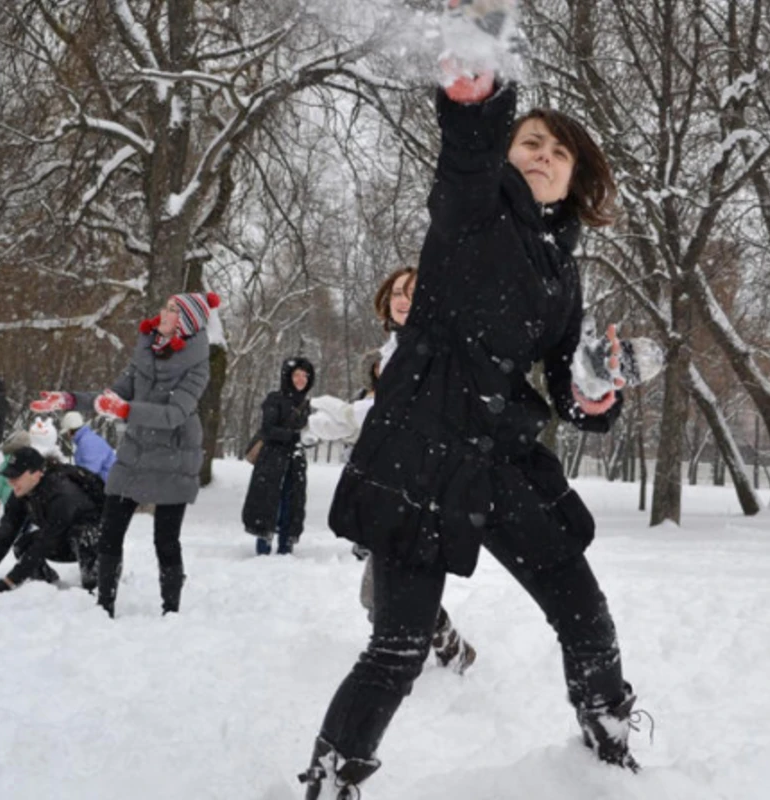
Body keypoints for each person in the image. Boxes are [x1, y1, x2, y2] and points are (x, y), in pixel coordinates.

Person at [297, 59, 638, 797]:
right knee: (400, 643)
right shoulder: (474, 206)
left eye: (559, 152)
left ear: (573, 179)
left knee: (585, 610)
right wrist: (473, 85)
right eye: (532, 143)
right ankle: (333, 779)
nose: (543, 156)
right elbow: (466, 147)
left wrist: (593, 390)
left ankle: (610, 746)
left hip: (503, 455)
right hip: (422, 448)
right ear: (508, 155)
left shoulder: (562, 270)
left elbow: (563, 379)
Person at [309, 268, 477, 675]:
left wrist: (356, 416)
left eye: (413, 293)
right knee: (387, 586)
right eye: (397, 292)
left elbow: (415, 411)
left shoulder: (433, 345)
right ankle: (431, 645)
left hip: (423, 485)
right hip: (392, 482)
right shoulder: (394, 348)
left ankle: (395, 656)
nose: (403, 299)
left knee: (384, 588)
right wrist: (356, 422)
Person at [30, 291, 219, 617]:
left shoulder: (198, 367)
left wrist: (126, 410)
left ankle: (171, 611)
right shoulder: (146, 353)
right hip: (135, 453)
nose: (164, 312)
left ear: (186, 323)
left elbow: (175, 413)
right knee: (110, 530)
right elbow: (113, 396)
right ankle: (104, 605)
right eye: (166, 306)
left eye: (173, 309)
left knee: (166, 540)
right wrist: (70, 401)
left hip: (175, 457)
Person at [0, 447, 104, 596]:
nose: (10, 482)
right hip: (64, 539)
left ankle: (95, 588)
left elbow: (47, 540)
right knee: (23, 545)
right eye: (9, 476)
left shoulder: (62, 491)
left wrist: (9, 581)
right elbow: (6, 531)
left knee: (84, 535)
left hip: (98, 544)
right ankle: (47, 585)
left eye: (16, 476)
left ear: (36, 474)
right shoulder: (23, 491)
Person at [242, 357, 315, 555]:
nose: (301, 380)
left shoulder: (307, 404)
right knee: (268, 501)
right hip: (272, 458)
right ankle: (263, 547)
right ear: (288, 377)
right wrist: (294, 435)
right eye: (297, 375)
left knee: (292, 502)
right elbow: (268, 428)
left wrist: (311, 438)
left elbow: (309, 431)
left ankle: (285, 546)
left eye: (305, 376)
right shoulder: (275, 398)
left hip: (296, 459)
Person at [60, 411, 117, 482]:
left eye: (66, 433)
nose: (67, 436)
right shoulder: (87, 439)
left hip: (107, 486)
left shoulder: (88, 443)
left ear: (69, 431)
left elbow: (89, 474)